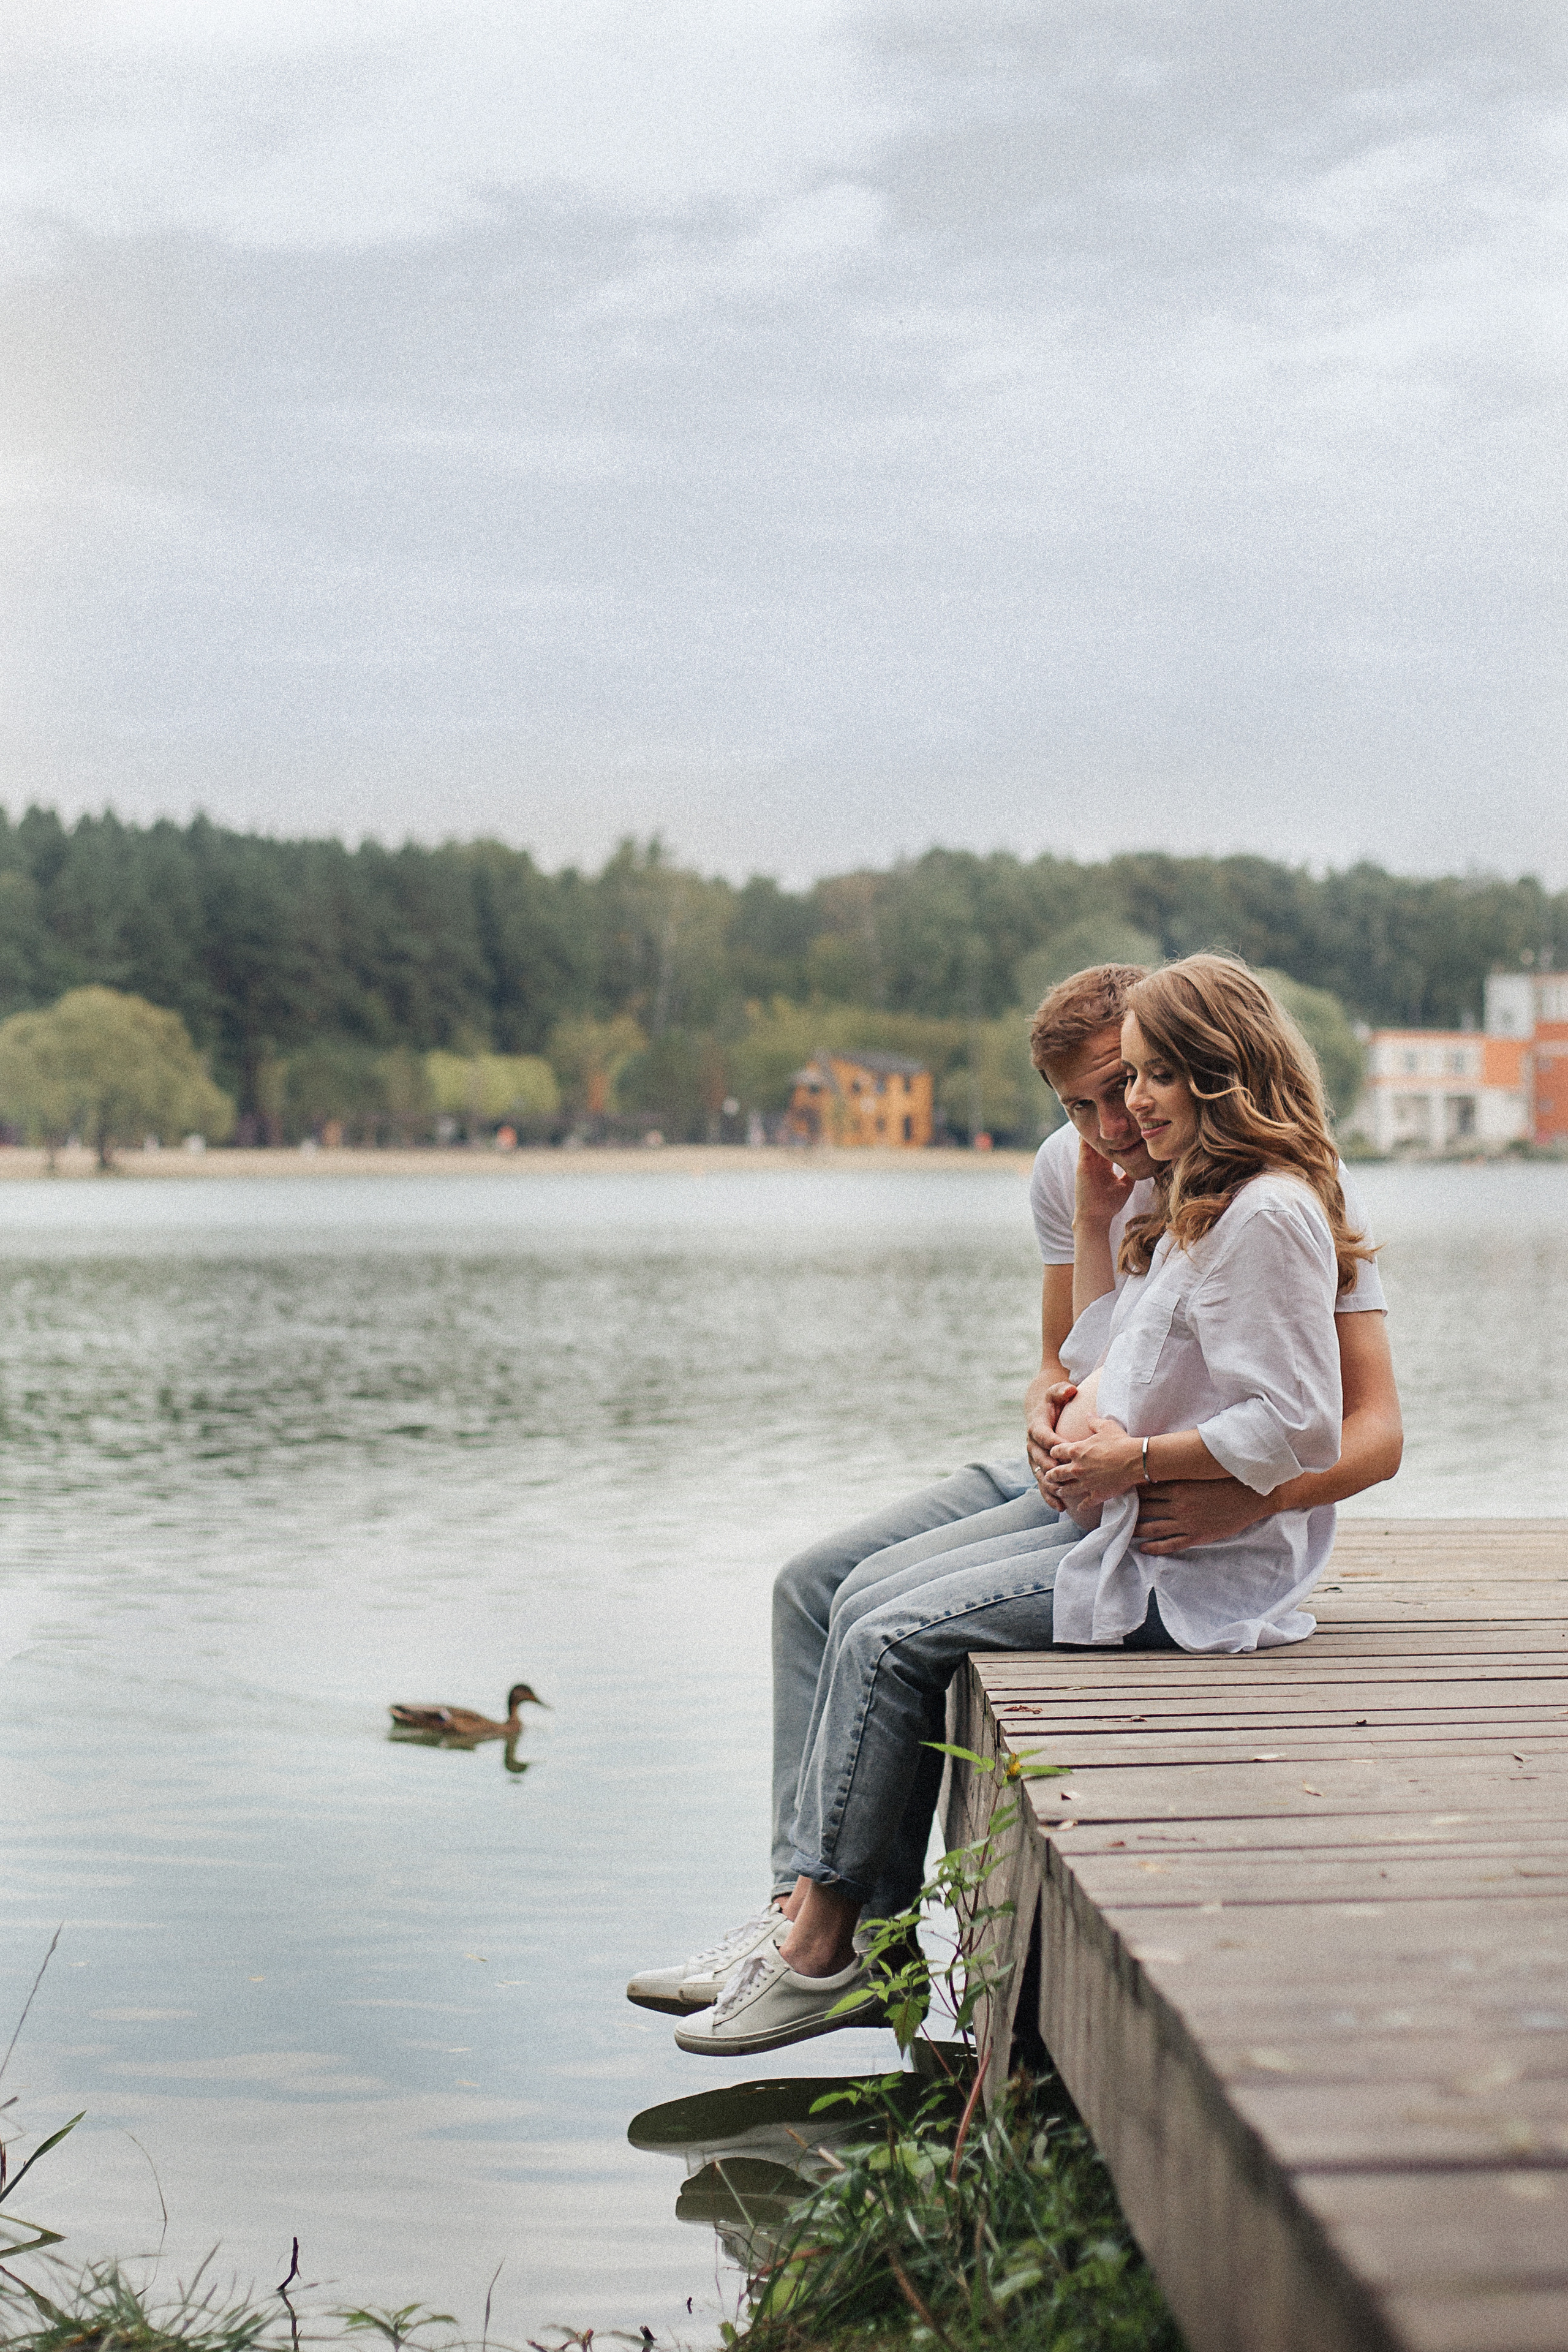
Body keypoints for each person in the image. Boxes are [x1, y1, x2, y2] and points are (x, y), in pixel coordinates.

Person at [625, 958, 1402, 2046]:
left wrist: (1201, 1483)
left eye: (1137, 1081)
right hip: (1095, 1487)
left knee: (888, 1628)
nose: (1116, 1118)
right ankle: (813, 1922)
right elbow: (1083, 1361)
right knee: (834, 1594)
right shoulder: (1135, 1182)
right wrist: (1072, 1385)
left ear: (1208, 1074)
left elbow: (1330, 1425)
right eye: (1094, 1097)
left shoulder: (1271, 1203)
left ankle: (830, 1942)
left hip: (1167, 1528)